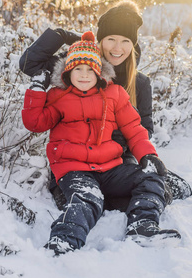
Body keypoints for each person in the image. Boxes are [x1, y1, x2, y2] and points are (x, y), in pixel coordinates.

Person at [19, 0, 192, 211]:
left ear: (133, 45)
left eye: (125, 41)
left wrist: (122, 139)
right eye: (110, 39)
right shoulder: (81, 66)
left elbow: (144, 128)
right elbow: (29, 63)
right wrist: (63, 35)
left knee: (163, 191)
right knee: (97, 202)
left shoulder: (139, 83)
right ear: (101, 39)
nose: (117, 48)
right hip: (76, 160)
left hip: (117, 162)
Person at [22, 31, 181, 255]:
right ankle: (64, 240)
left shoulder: (115, 94)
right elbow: (35, 122)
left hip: (110, 167)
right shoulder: (59, 96)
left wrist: (148, 156)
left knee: (150, 179)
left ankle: (142, 227)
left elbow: (135, 129)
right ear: (68, 71)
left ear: (99, 71)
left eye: (90, 70)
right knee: (87, 198)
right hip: (74, 168)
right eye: (78, 69)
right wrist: (37, 91)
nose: (84, 75)